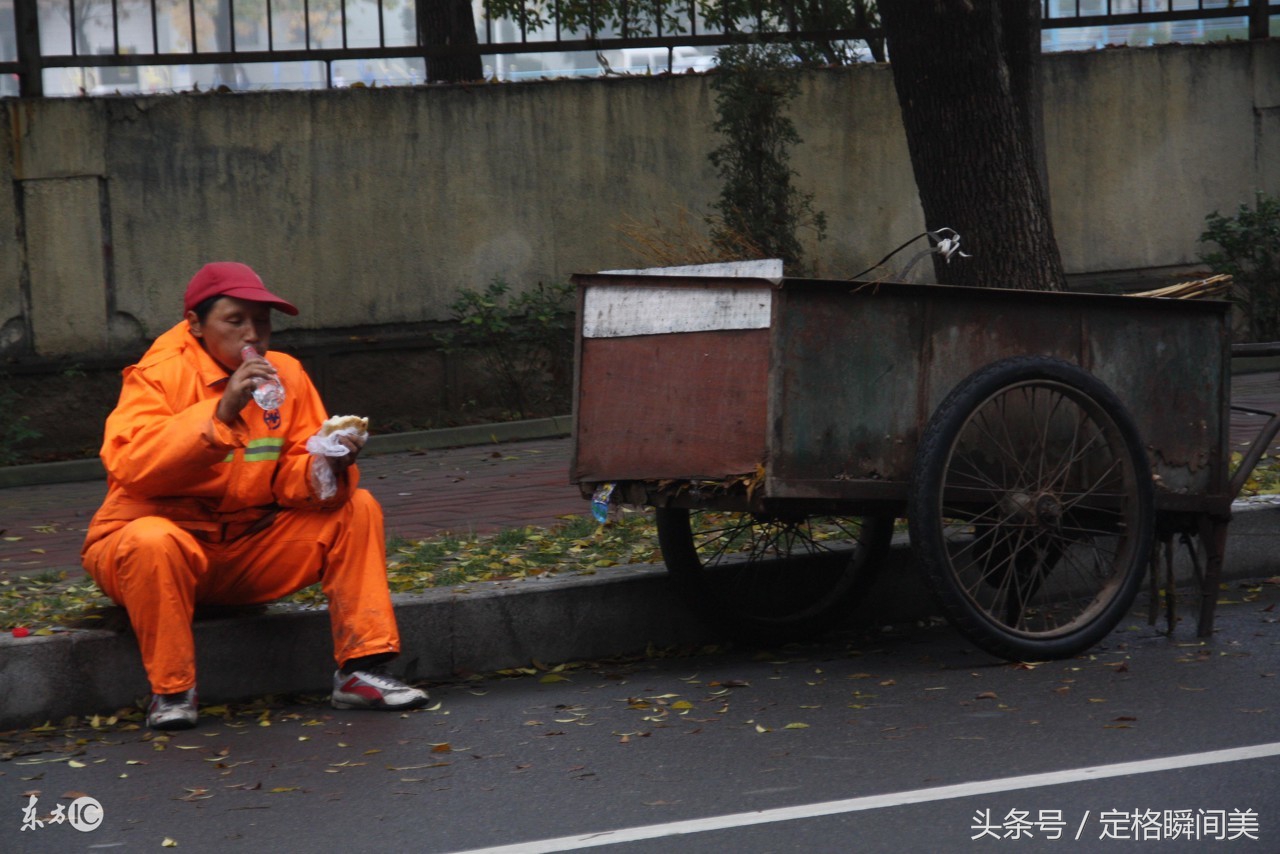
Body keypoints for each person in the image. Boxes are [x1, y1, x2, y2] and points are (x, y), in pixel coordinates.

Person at [81, 261, 428, 730]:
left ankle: (361, 670)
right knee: (152, 540)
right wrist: (219, 414)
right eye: (235, 320)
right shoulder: (158, 374)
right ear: (195, 325)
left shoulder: (286, 375)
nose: (253, 334)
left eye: (262, 321)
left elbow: (290, 480)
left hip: (245, 551)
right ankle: (172, 692)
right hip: (153, 553)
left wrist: (329, 462)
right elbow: (131, 466)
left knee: (357, 506)